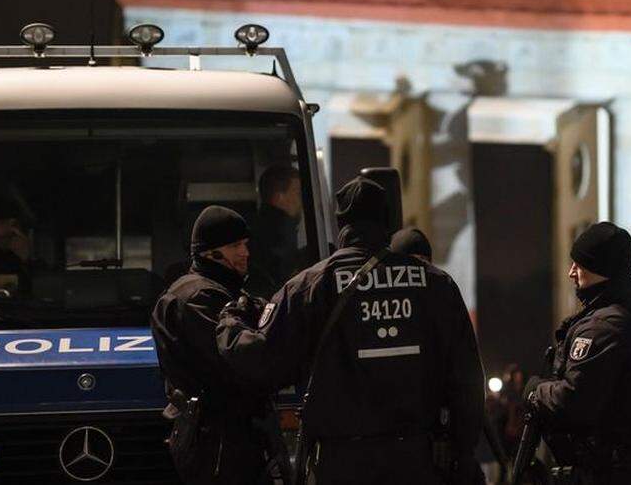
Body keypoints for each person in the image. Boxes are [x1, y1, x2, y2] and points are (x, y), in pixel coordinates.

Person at [216, 176, 484, 485]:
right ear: (387, 219)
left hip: (341, 462)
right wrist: (462, 452)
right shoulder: (437, 285)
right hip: (417, 460)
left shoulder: (311, 286)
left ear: (341, 223)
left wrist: (231, 323)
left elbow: (263, 360)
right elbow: (467, 380)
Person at [523, 222, 631, 484]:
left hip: (603, 468)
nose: (571, 273)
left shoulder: (604, 326)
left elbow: (573, 401)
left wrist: (536, 390)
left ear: (602, 269)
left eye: (579, 265)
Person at [150, 206, 270, 484]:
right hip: (218, 442)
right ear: (209, 253)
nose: (245, 253)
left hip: (219, 439)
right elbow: (236, 363)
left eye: (245, 244)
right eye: (235, 246)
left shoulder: (211, 291)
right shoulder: (200, 298)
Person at [245, 165, 304, 298]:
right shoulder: (280, 232)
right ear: (279, 197)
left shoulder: (255, 228)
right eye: (298, 193)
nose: (301, 201)